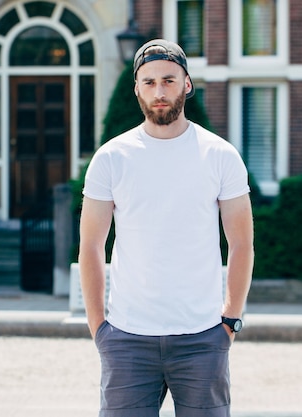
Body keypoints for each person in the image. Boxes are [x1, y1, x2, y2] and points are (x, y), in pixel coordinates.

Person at [78, 39, 254, 417]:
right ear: (137, 88)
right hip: (126, 340)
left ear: (187, 84)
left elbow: (241, 244)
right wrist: (100, 330)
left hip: (203, 339)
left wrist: (230, 321)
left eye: (169, 81)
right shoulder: (111, 158)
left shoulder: (219, 155)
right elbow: (91, 246)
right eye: (149, 82)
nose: (159, 92)